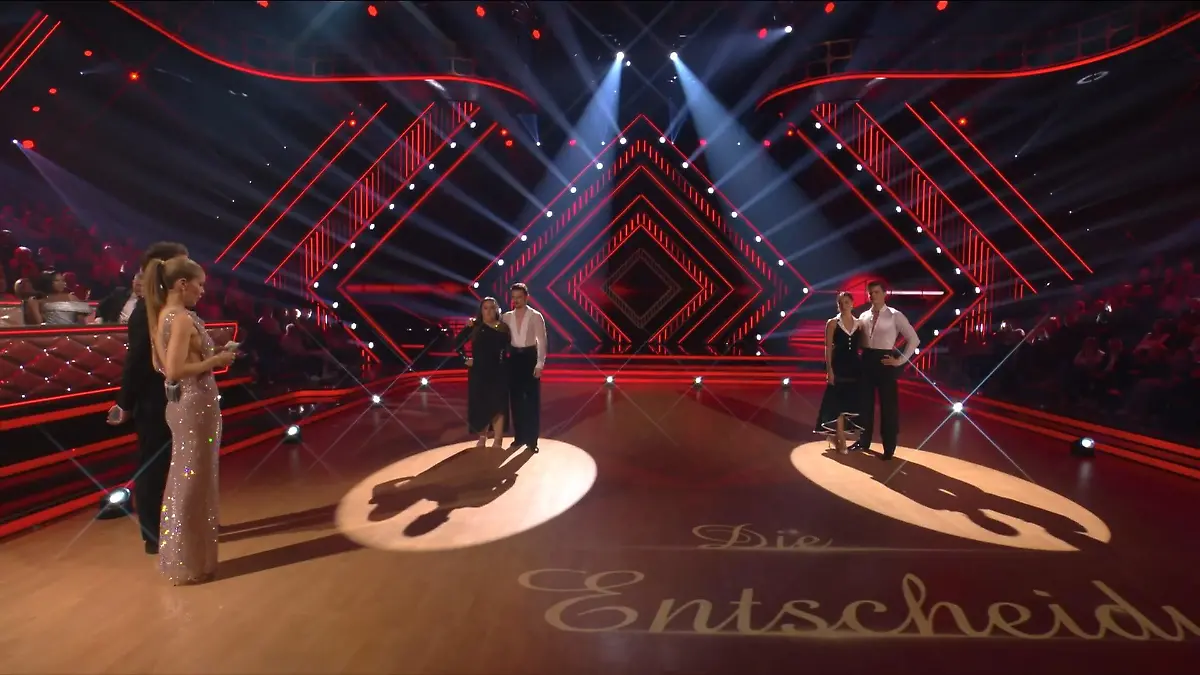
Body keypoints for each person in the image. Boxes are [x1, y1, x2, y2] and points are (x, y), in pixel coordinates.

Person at [145, 255, 234, 585]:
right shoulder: (181, 319)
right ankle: (189, 561)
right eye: (200, 284)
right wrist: (216, 361)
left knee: (186, 479)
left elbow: (161, 365)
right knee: (192, 482)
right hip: (195, 404)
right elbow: (174, 370)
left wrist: (210, 358)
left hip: (183, 405)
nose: (202, 291)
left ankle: (186, 559)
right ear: (183, 284)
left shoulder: (161, 317)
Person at [108, 242, 189, 554]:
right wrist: (125, 403)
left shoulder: (176, 307)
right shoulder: (145, 311)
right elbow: (136, 362)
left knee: (181, 464)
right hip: (155, 401)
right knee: (154, 467)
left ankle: (182, 524)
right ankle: (153, 534)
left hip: (180, 398)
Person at [853, 280, 920, 460]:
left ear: (884, 294)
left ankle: (889, 448)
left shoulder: (895, 315)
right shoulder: (864, 316)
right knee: (864, 404)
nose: (872, 295)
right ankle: (863, 441)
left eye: (876, 292)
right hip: (866, 360)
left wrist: (900, 361)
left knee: (888, 407)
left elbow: (914, 339)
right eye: (870, 293)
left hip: (884, 361)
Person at [454, 297, 511, 448]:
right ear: (481, 310)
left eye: (492, 308)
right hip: (479, 372)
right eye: (486, 308)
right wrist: (465, 359)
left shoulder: (503, 328)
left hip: (498, 371)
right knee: (481, 405)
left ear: (497, 310)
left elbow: (509, 349)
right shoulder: (474, 326)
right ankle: (482, 437)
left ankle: (498, 439)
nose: (489, 311)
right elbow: (457, 344)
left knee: (499, 405)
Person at [815, 292, 864, 453]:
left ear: (852, 304)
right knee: (837, 402)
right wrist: (829, 370)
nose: (844, 305)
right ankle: (840, 438)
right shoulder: (832, 323)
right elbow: (828, 348)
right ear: (838, 305)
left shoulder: (859, 324)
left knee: (849, 401)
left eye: (847, 302)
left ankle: (838, 436)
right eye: (841, 303)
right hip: (838, 366)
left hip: (854, 367)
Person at [501, 282, 547, 453]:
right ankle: (519, 437)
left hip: (529, 357)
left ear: (527, 297)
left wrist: (540, 363)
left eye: (519, 297)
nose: (516, 301)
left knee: (531, 401)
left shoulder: (536, 316)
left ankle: (532, 440)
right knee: (515, 400)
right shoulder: (506, 317)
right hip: (513, 359)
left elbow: (542, 341)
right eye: (513, 298)